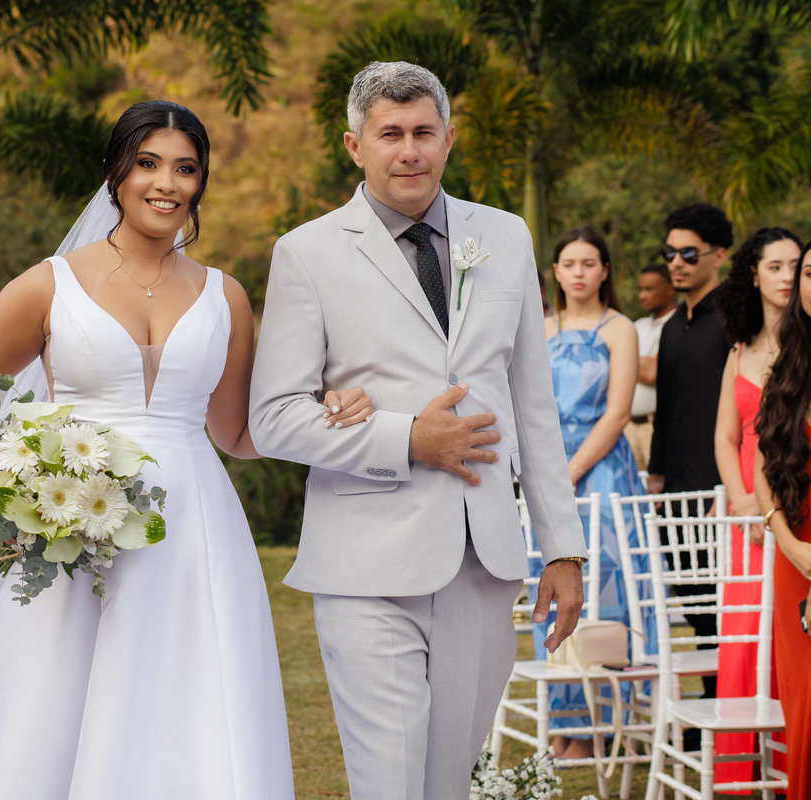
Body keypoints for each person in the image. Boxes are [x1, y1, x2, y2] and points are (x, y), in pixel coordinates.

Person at [0, 100, 373, 799]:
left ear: (201, 183)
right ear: (116, 172)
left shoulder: (225, 297)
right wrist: (17, 489)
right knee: (49, 697)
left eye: (185, 168)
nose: (165, 183)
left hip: (192, 529)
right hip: (66, 526)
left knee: (183, 695)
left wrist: (320, 411)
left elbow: (235, 432)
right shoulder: (50, 283)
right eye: (147, 163)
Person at [248, 62, 587, 800]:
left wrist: (563, 547)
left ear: (448, 139)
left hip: (481, 560)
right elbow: (272, 417)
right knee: (390, 781)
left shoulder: (503, 235)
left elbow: (535, 409)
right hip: (365, 564)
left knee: (447, 785)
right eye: (390, 134)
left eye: (424, 133)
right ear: (354, 146)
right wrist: (406, 438)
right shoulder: (305, 253)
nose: (410, 151)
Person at [533, 227, 650, 760]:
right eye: (568, 262)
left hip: (600, 470)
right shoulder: (539, 327)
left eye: (589, 262)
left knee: (605, 589)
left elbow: (619, 411)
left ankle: (608, 723)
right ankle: (567, 723)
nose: (578, 271)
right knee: (551, 591)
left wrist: (572, 470)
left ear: (605, 270)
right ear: (555, 272)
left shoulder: (618, 328)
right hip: (547, 467)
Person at [712, 227, 801, 786]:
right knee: (745, 629)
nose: (788, 277)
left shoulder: (808, 348)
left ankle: (795, 761)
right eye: (775, 266)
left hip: (794, 501)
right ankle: (741, 767)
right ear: (754, 274)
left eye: (797, 266)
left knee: (789, 632)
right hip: (745, 516)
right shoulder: (739, 350)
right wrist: (741, 499)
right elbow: (725, 437)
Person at [647, 202, 734, 701]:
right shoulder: (670, 326)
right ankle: (710, 702)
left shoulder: (734, 321)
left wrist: (730, 487)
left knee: (729, 606)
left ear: (717, 255)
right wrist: (657, 478)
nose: (676, 262)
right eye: (670, 253)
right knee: (694, 601)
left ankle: (731, 707)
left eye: (687, 253)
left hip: (722, 487)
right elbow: (665, 409)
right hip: (676, 486)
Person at [753, 238, 811, 800]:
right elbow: (763, 467)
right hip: (799, 552)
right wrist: (790, 543)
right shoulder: (787, 365)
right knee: (808, 711)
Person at [625, 264, 676, 471]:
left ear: (670, 288)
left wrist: (625, 364)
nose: (641, 295)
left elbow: (653, 371)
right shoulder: (637, 325)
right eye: (641, 289)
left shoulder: (677, 325)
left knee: (657, 492)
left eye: (649, 289)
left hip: (654, 426)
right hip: (627, 426)